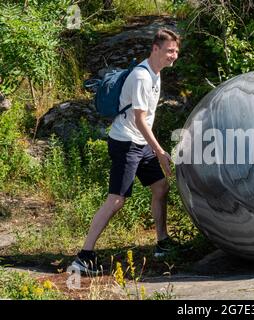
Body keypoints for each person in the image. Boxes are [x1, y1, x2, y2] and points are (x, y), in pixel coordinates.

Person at [72, 28, 181, 274]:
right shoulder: (143, 77)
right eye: (169, 51)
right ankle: (84, 256)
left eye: (176, 51)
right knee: (116, 200)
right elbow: (140, 120)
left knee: (161, 186)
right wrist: (161, 151)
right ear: (155, 49)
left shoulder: (156, 73)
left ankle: (162, 242)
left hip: (139, 143)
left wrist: (152, 149)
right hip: (126, 144)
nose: (173, 55)